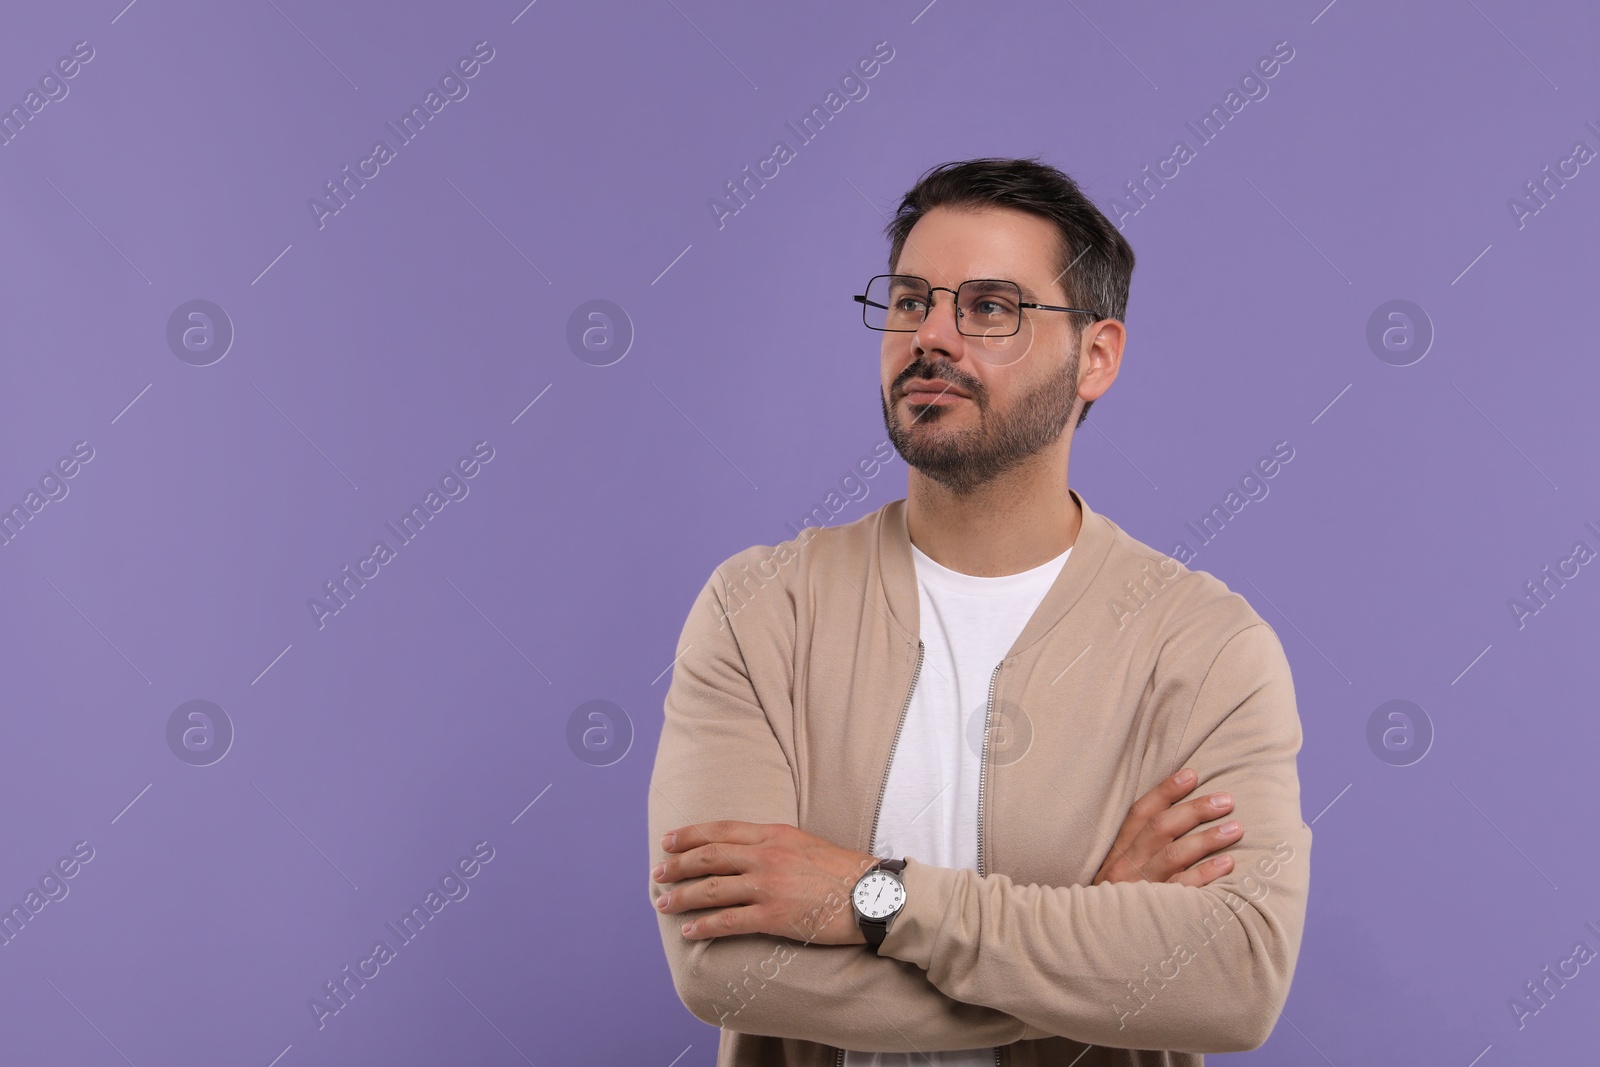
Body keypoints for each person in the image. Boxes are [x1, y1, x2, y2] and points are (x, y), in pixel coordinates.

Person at [647, 157, 1310, 1066]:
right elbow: (722, 968)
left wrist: (872, 899)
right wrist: (1096, 955)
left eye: (991, 307)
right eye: (912, 300)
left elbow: (1234, 979)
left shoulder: (1202, 647)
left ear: (1097, 355)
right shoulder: (762, 609)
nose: (934, 336)